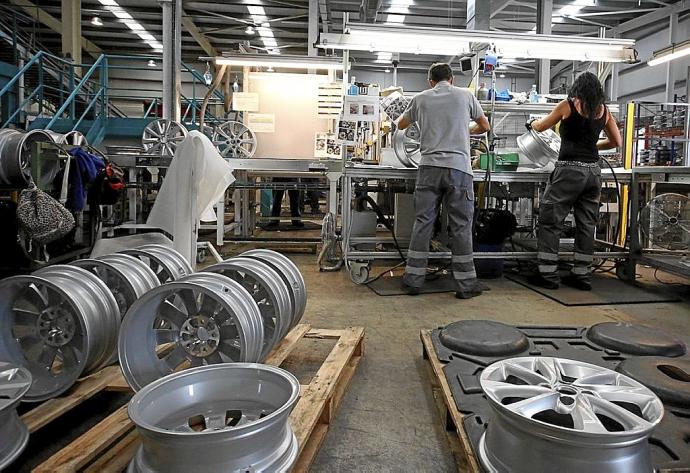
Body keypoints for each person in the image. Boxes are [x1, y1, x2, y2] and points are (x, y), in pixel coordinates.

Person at [397, 63, 491, 298]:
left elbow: (400, 125)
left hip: (428, 168)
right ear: (452, 79)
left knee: (423, 223)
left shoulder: (420, 98)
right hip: (459, 169)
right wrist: (462, 130)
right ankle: (466, 284)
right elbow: (485, 126)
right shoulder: (465, 96)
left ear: (430, 81)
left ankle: (413, 281)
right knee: (460, 225)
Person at [527, 71, 622, 291]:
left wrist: (532, 122)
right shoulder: (604, 111)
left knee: (551, 220)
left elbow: (541, 127)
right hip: (593, 173)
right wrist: (593, 147)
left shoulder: (567, 105)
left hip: (569, 171)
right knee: (587, 224)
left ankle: (547, 274)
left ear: (576, 88)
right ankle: (582, 276)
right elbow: (616, 141)